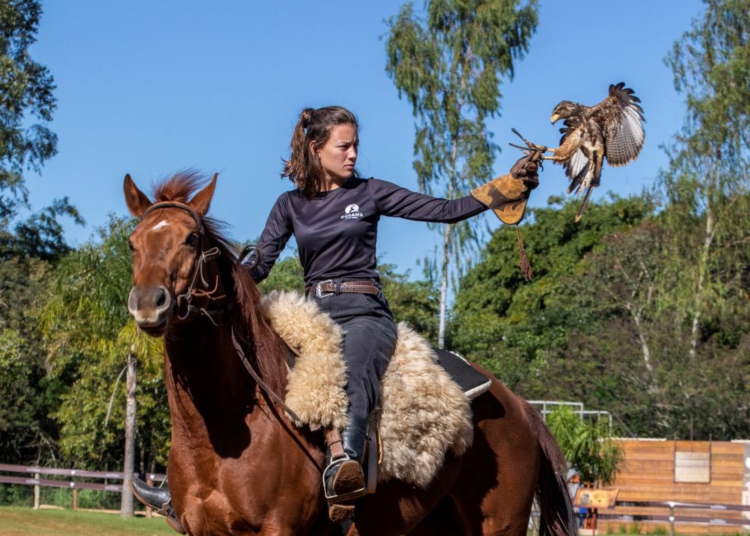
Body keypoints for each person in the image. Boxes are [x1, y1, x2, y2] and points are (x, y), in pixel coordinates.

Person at [130, 105, 539, 524]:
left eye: (355, 146)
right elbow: (260, 265)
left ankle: (346, 467)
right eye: (344, 146)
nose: (353, 155)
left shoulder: (370, 192)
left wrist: (501, 190)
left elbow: (443, 210)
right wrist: (217, 288)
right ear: (315, 148)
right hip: (309, 313)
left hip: (365, 313)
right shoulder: (290, 204)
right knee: (229, 369)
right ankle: (190, 484)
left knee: (351, 367)